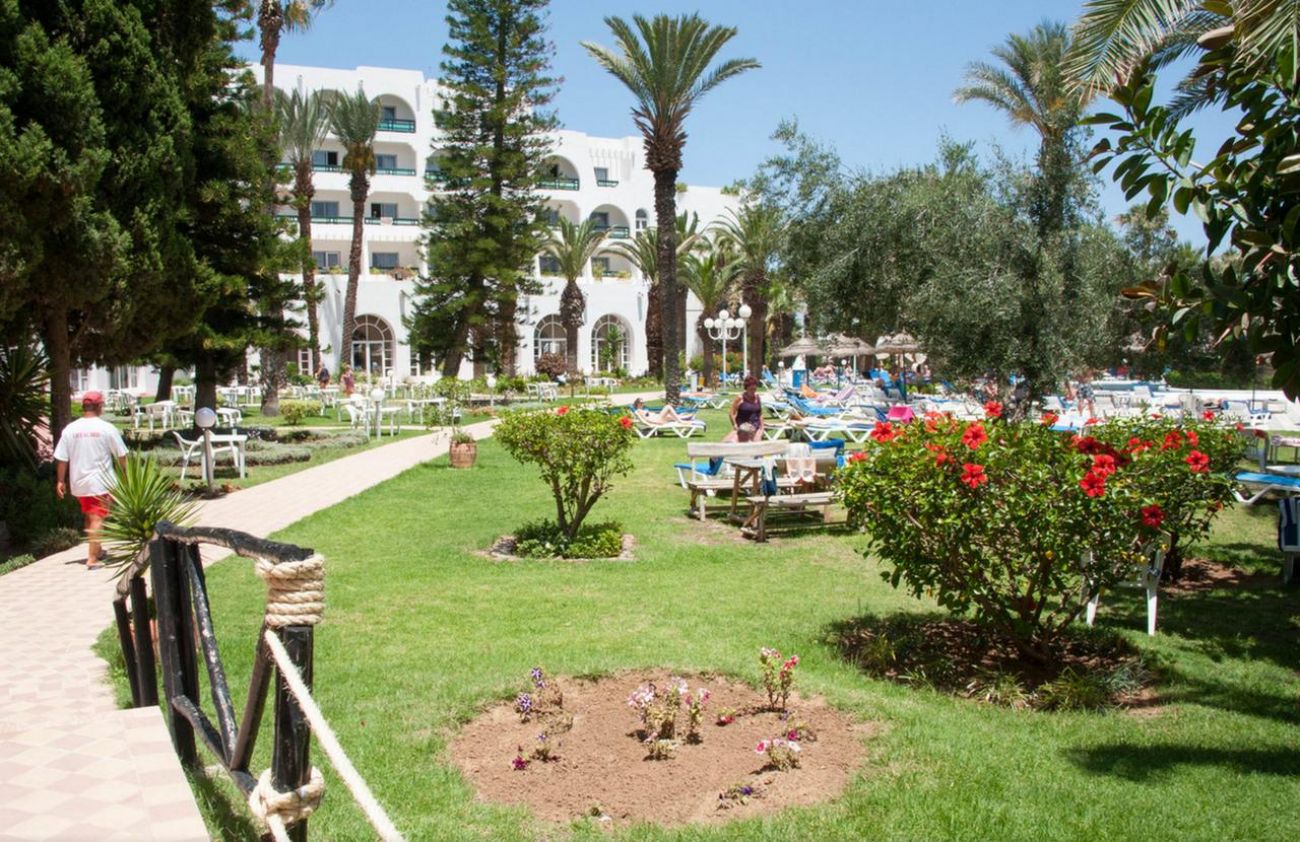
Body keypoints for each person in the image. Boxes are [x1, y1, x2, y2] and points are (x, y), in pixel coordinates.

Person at [54, 392, 128, 570]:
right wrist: (125, 477)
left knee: (90, 515)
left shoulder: (70, 429)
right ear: (99, 406)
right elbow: (121, 455)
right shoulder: (106, 428)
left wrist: (60, 481)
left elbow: (62, 458)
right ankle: (92, 559)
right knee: (97, 518)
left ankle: (98, 549)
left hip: (79, 482)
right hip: (100, 483)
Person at [728, 376, 764, 442]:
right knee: (731, 442)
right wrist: (735, 425)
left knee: (757, 444)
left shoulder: (757, 397)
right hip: (743, 428)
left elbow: (760, 414)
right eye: (751, 389)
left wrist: (762, 427)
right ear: (746, 388)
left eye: (754, 389)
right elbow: (731, 413)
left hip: (756, 427)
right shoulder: (740, 398)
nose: (753, 391)